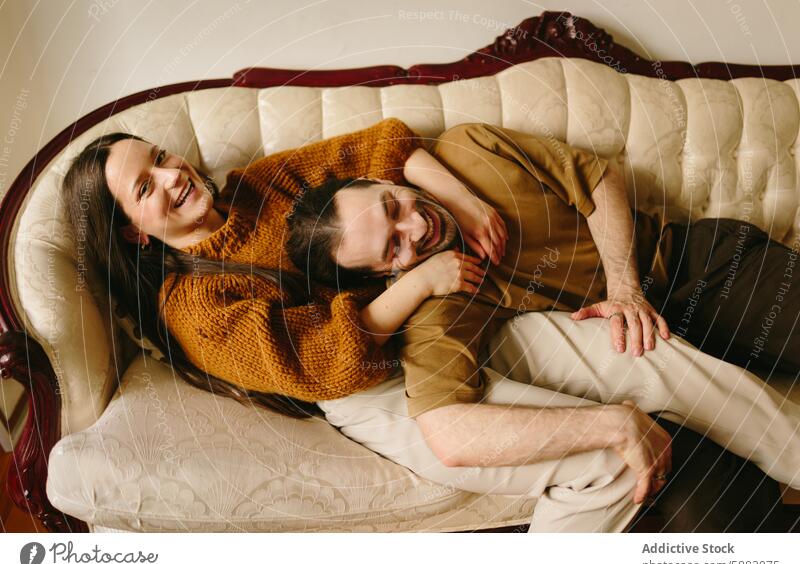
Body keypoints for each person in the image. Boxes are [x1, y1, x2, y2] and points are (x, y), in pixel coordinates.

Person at [63, 119, 791, 532]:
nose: (171, 176)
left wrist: (463, 205)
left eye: (159, 157)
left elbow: (379, 146)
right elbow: (321, 366)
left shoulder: (262, 181)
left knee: (635, 355)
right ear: (133, 234)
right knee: (601, 458)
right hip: (372, 384)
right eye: (145, 188)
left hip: (436, 307)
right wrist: (417, 280)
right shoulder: (191, 308)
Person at [287, 121, 800, 531]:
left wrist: (624, 290)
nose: (417, 227)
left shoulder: (468, 149)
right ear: (385, 275)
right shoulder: (439, 305)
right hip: (646, 361)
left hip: (695, 269)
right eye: (393, 246)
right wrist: (612, 424)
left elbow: (597, 179)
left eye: (393, 207)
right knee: (724, 531)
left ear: (386, 179)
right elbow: (449, 434)